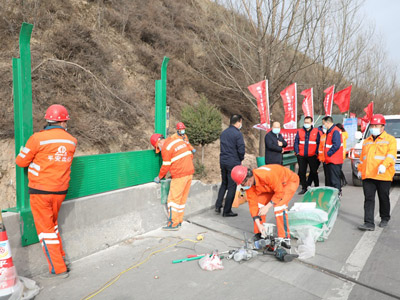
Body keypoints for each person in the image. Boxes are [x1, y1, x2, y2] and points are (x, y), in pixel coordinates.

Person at [15, 105, 76, 279]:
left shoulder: (37, 139)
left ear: (48, 120)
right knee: (53, 226)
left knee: (46, 231)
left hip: (40, 191)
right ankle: (62, 259)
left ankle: (58, 268)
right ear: (63, 120)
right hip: (60, 191)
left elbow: (21, 162)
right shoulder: (72, 141)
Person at [231, 164, 299, 244]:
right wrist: (258, 223)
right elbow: (253, 204)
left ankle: (284, 238)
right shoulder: (249, 185)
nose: (243, 186)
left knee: (279, 207)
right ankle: (260, 233)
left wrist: (268, 206)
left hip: (287, 182)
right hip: (271, 187)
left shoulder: (266, 175)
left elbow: (279, 192)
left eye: (242, 184)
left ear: (248, 179)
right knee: (259, 205)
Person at [357, 114, 397, 231]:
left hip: (383, 175)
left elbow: (391, 156)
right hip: (368, 174)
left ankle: (385, 218)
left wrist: (384, 166)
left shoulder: (390, 140)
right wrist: (360, 170)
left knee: (383, 197)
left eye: (376, 125)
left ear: (382, 127)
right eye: (372, 125)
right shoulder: (366, 141)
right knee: (368, 199)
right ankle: (368, 222)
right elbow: (362, 158)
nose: (374, 127)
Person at [151, 133, 194, 230]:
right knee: (181, 200)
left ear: (159, 142)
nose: (160, 149)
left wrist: (159, 177)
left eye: (158, 147)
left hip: (180, 175)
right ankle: (179, 220)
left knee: (173, 200)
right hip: (189, 173)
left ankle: (173, 223)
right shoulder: (178, 140)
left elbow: (165, 165)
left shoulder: (166, 147)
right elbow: (190, 156)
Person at [215, 114, 245, 217]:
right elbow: (241, 150)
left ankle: (218, 205)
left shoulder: (224, 133)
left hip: (223, 161)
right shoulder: (238, 134)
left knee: (224, 183)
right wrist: (240, 159)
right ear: (239, 121)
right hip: (233, 162)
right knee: (232, 186)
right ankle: (227, 210)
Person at [294, 116, 320, 194]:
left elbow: (319, 143)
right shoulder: (300, 131)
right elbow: (296, 142)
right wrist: (297, 152)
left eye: (308, 122)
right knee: (302, 172)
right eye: (305, 122)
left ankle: (317, 187)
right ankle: (304, 188)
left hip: (312, 155)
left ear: (311, 123)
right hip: (301, 155)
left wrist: (316, 153)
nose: (306, 124)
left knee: (314, 171)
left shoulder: (316, 131)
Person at [322, 116, 343, 196]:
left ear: (328, 123)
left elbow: (336, 145)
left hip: (334, 160)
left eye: (324, 124)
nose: (323, 125)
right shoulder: (330, 131)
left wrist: (328, 153)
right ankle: (332, 196)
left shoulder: (335, 131)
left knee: (335, 180)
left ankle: (336, 195)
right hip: (330, 160)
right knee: (330, 180)